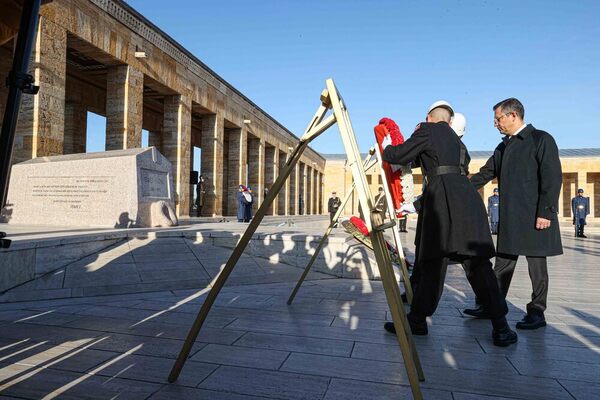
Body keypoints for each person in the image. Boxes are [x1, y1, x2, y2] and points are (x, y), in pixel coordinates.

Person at [381, 100, 517, 347]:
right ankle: (501, 327)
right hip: (467, 202)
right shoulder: (459, 143)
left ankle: (418, 320)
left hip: (442, 206)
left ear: (429, 117)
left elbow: (400, 156)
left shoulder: (426, 130)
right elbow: (448, 172)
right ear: (450, 121)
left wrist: (387, 147)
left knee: (432, 263)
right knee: (477, 266)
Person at [464, 98, 563, 330]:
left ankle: (537, 312)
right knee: (502, 266)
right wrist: (458, 186)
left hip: (536, 218)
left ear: (513, 116)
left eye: (498, 119)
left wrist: (546, 213)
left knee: (537, 268)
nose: (495, 124)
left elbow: (552, 177)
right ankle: (493, 305)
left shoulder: (541, 139)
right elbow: (485, 173)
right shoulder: (503, 146)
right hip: (511, 219)